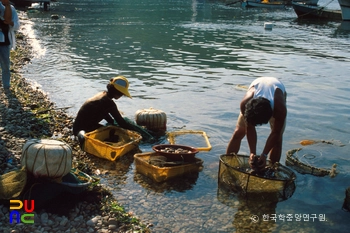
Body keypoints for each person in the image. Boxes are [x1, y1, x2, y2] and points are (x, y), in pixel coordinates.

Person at [226, 77, 287, 170]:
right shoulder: (245, 104)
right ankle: (228, 163)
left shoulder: (280, 108)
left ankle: (271, 169)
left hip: (276, 91)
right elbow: (249, 128)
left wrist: (264, 155)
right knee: (239, 132)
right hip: (257, 91)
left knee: (277, 140)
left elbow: (276, 132)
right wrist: (252, 153)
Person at [0, 0, 19, 90]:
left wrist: (10, 23)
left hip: (5, 41)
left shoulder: (11, 8)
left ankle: (6, 86)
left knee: (5, 65)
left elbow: (17, 25)